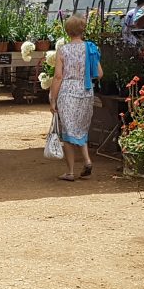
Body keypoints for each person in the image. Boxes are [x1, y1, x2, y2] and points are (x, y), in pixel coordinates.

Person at [49, 15, 102, 181]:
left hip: (67, 92)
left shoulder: (63, 50)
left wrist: (53, 99)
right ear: (83, 29)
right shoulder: (91, 48)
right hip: (86, 91)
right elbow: (100, 74)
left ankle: (70, 172)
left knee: (68, 131)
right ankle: (86, 160)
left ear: (67, 31)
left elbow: (58, 77)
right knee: (80, 128)